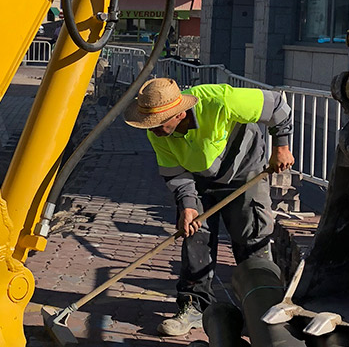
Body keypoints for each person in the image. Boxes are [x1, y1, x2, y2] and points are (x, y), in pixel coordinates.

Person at [124, 77, 294, 337]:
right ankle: (194, 306)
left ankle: (263, 308)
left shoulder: (220, 100)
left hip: (245, 174)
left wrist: (281, 146)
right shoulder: (156, 133)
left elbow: (278, 106)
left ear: (179, 113)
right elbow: (175, 173)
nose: (153, 130)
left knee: (251, 237)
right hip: (199, 179)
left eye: (159, 123)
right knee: (194, 236)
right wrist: (188, 205)